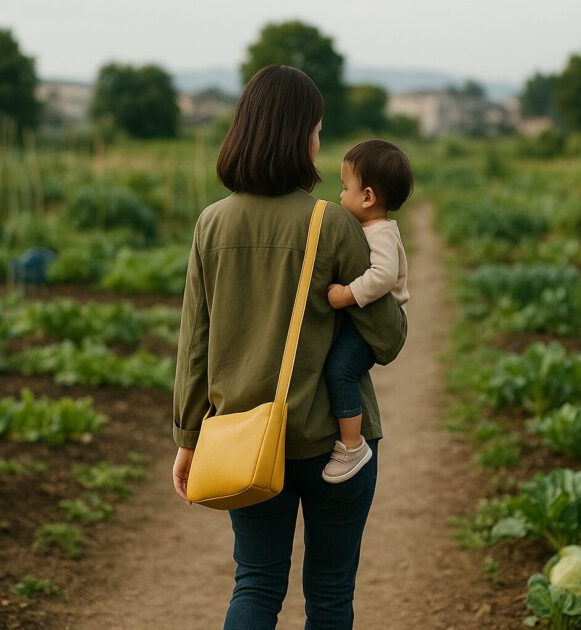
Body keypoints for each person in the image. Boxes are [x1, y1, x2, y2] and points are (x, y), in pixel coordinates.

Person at [171, 64, 407, 630]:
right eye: (317, 130)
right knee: (329, 596)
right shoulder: (331, 223)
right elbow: (388, 338)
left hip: (245, 439)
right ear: (302, 136)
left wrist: (187, 437)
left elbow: (194, 343)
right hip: (335, 443)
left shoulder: (211, 224)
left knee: (254, 584)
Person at [321, 140, 413, 483]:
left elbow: (383, 276)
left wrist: (347, 294)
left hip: (377, 323)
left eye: (345, 188)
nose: (340, 195)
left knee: (341, 371)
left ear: (368, 197)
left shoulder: (382, 233)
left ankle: (351, 445)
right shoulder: (367, 228)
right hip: (365, 321)